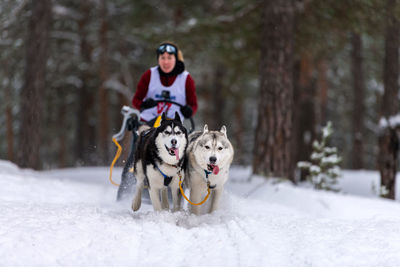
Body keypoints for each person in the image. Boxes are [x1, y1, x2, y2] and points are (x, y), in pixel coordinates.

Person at [132, 42, 198, 125]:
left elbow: (193, 105)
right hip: (148, 123)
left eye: (169, 58)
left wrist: (189, 111)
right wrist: (143, 104)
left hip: (173, 125)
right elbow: (136, 100)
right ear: (158, 59)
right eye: (162, 58)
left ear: (175, 59)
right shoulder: (149, 74)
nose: (166, 62)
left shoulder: (186, 78)